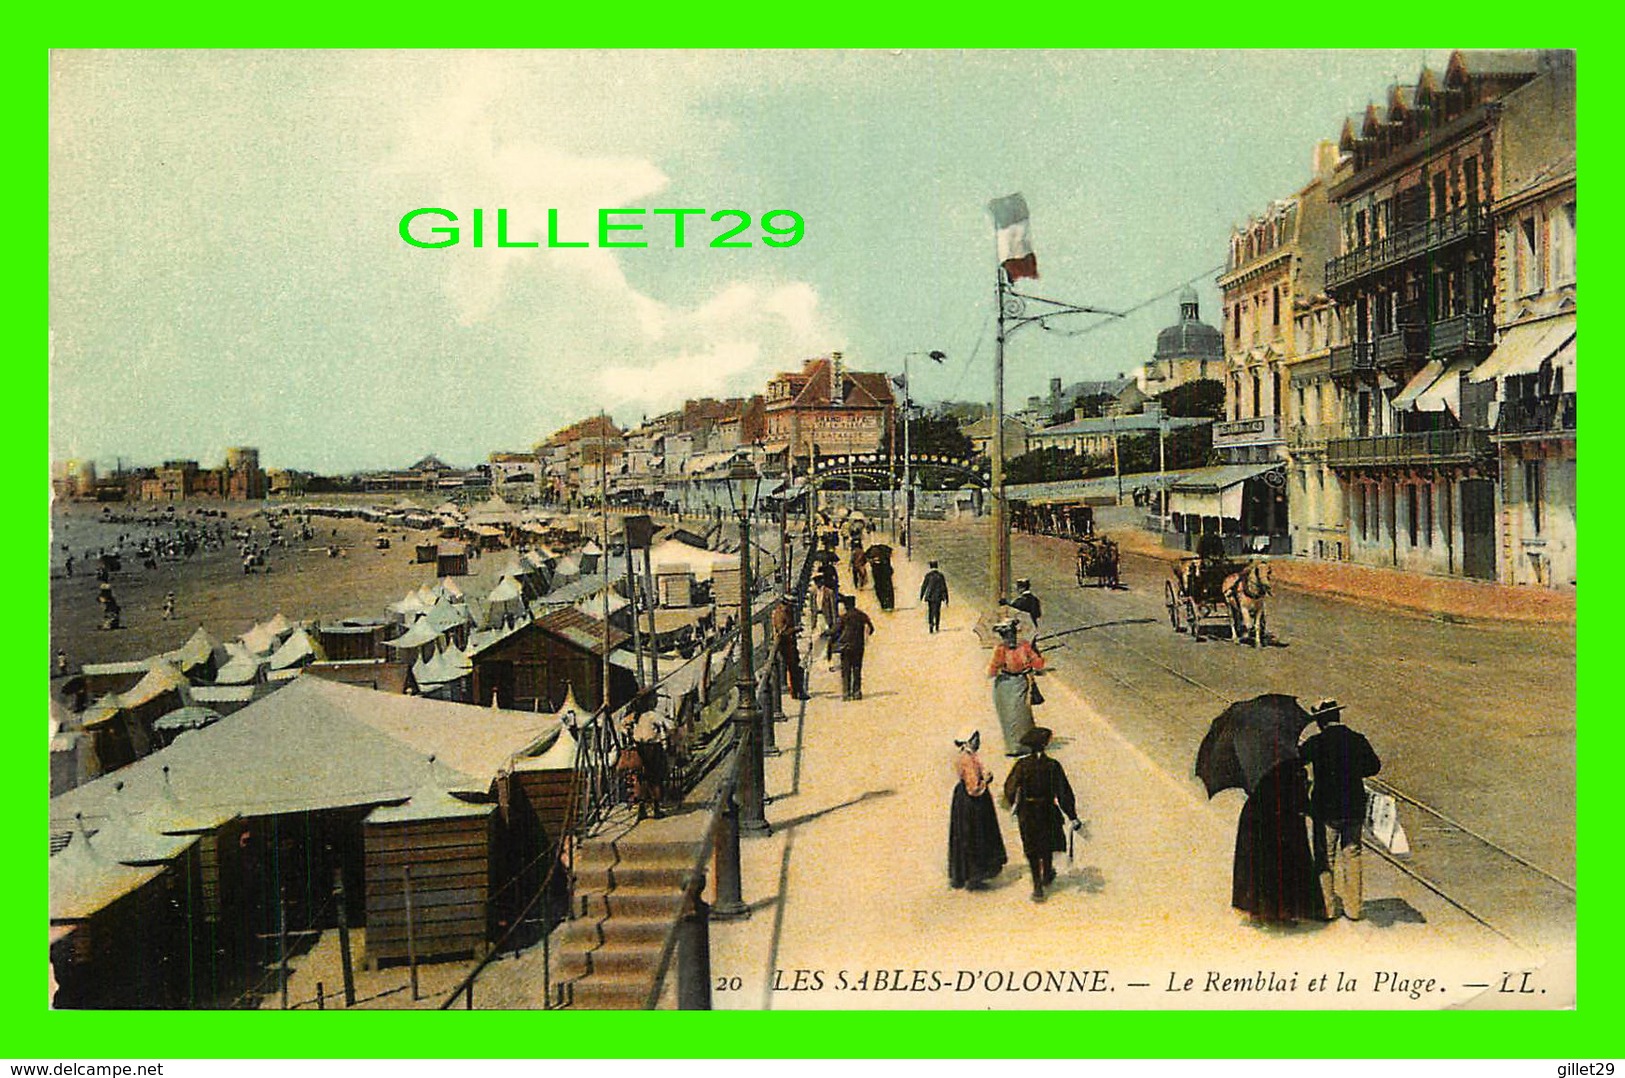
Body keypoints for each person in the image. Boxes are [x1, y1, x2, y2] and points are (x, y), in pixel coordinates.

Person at [1299, 699, 1382, 921]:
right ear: (1337, 717)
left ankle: (1327, 908)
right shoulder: (1357, 739)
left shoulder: (1316, 742)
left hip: (1325, 810)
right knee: (1352, 855)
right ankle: (1354, 909)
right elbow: (1373, 767)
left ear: (1319, 721)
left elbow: (1297, 759)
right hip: (1354, 807)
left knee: (1325, 858)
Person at [1232, 757, 1325, 926]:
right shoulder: (1292, 767)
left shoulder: (1256, 762)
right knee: (1282, 867)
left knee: (1258, 866)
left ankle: (1258, 911)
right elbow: (1299, 800)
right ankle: (1281, 913)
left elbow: (1249, 787)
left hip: (1254, 816)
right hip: (1280, 820)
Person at [1002, 727, 1081, 902]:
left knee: (1031, 846)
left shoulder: (1022, 765)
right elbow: (1064, 792)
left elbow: (1010, 787)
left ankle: (1037, 887)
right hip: (1047, 809)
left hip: (1028, 811)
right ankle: (1046, 875)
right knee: (1046, 843)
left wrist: (1010, 803)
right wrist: (1072, 815)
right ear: (1045, 745)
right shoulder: (1052, 766)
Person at [948, 729, 1007, 890]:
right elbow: (973, 788)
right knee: (976, 834)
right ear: (969, 740)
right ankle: (976, 874)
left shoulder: (964, 756)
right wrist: (986, 780)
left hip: (962, 800)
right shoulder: (969, 760)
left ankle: (964, 873)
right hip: (973, 803)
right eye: (975, 738)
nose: (978, 741)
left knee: (965, 835)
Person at [988, 618, 1045, 755]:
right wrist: (999, 666)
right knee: (1008, 716)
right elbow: (992, 671)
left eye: (1012, 635)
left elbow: (1038, 663)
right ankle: (1013, 747)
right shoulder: (1000, 650)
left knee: (1021, 714)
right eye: (1007, 636)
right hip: (1004, 685)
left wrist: (1032, 663)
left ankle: (1026, 744)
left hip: (1020, 683)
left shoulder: (1024, 646)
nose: (1010, 639)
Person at [833, 595, 874, 700]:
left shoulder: (844, 617)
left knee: (846, 670)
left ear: (846, 605)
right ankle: (857, 692)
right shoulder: (861, 615)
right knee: (857, 669)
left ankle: (846, 693)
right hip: (858, 646)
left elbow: (835, 630)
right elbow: (871, 628)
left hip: (846, 646)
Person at [772, 596, 808, 701]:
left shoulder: (786, 611)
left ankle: (797, 691)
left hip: (790, 643)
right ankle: (797, 691)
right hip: (785, 645)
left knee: (795, 667)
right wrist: (795, 629)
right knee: (794, 668)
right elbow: (781, 632)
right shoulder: (780, 614)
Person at [919, 561, 949, 633]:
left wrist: (921, 596)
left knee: (930, 611)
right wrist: (946, 598)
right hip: (938, 596)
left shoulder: (928, 575)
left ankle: (931, 625)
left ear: (930, 567)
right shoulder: (940, 576)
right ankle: (937, 626)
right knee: (937, 611)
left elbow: (924, 586)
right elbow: (944, 587)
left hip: (930, 596)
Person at [867, 545, 895, 611]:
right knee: (886, 590)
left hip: (882, 577)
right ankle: (887, 605)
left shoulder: (880, 562)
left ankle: (886, 605)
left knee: (882, 590)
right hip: (884, 577)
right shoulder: (885, 558)